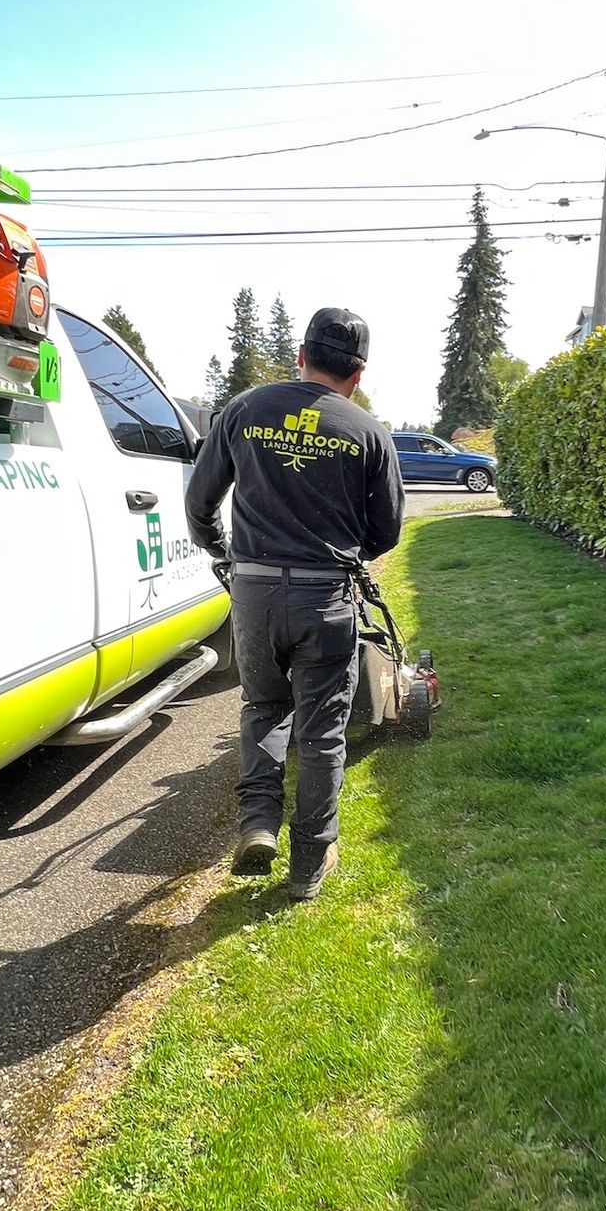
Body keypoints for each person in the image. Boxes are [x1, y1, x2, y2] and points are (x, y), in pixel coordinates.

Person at [184, 307, 404, 900]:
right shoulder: (367, 431)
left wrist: (221, 549)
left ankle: (258, 823)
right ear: (356, 374)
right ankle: (309, 863)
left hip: (253, 592)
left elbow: (200, 501)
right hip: (325, 597)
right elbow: (387, 532)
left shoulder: (244, 411)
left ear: (301, 357)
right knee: (322, 729)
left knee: (263, 706)